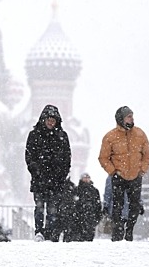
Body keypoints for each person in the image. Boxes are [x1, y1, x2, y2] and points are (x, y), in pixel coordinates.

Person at [99, 106, 149, 242]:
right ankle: (117, 232)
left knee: (134, 205)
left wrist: (142, 170)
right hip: (119, 176)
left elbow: (147, 154)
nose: (132, 119)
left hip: (135, 175)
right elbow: (103, 157)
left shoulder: (140, 134)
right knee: (117, 205)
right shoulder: (110, 137)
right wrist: (113, 172)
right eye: (129, 116)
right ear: (120, 119)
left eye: (132, 116)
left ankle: (130, 230)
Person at [25, 104, 71, 242]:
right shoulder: (34, 135)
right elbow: (29, 156)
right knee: (39, 207)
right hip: (40, 179)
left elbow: (67, 158)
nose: (51, 122)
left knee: (53, 209)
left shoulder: (62, 136)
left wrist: (60, 175)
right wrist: (36, 171)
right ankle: (39, 232)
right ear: (43, 119)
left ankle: (50, 233)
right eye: (49, 119)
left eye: (53, 120)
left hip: (56, 180)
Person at [72, 173, 103, 241]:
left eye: (87, 177)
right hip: (78, 219)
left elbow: (98, 205)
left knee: (89, 239)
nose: (86, 179)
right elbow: (73, 204)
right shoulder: (77, 190)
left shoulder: (95, 191)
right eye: (84, 177)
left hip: (91, 218)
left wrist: (97, 217)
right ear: (81, 179)